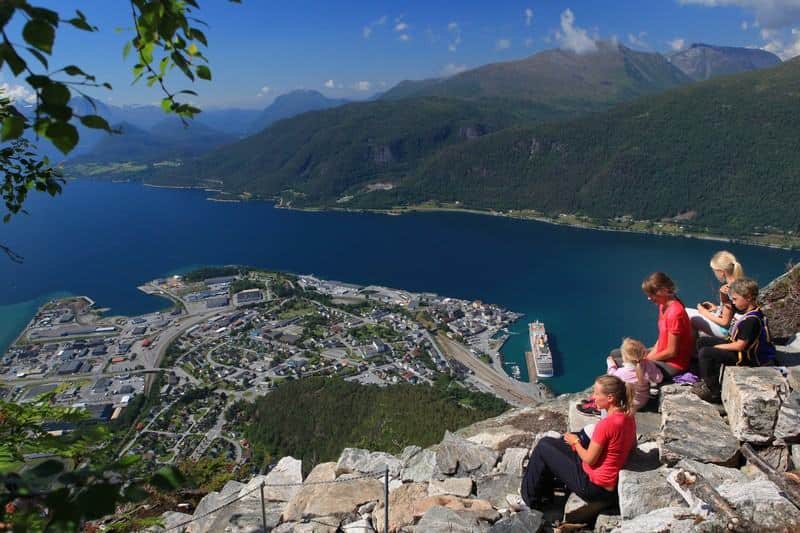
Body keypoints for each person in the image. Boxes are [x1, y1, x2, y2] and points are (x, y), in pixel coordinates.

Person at [509, 375, 637, 511]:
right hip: (606, 484)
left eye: (597, 393)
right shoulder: (628, 418)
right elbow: (632, 446)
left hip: (593, 486)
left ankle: (528, 501)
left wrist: (575, 442)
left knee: (544, 446)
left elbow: (590, 459)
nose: (593, 397)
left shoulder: (606, 424)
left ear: (610, 398)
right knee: (556, 446)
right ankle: (544, 495)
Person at [693, 278, 776, 403]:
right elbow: (728, 306)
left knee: (706, 352)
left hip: (746, 357)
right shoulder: (749, 309)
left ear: (748, 297)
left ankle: (713, 391)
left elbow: (740, 346)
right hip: (739, 348)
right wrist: (719, 302)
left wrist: (717, 348)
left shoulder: (751, 321)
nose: (733, 302)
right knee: (702, 342)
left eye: (735, 299)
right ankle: (709, 377)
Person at [577, 338, 662, 416]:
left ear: (624, 357)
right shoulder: (649, 365)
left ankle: (599, 409)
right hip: (643, 401)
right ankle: (597, 402)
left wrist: (610, 363)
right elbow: (659, 378)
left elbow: (611, 375)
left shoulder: (622, 373)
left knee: (609, 387)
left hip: (627, 404)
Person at [641, 272, 695, 379]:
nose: (649, 298)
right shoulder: (663, 306)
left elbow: (671, 352)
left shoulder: (675, 313)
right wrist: (649, 355)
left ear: (664, 290)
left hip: (673, 365)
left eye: (651, 294)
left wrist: (647, 360)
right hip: (662, 356)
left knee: (628, 367)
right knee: (616, 354)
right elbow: (661, 337)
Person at [686, 251, 744, 338]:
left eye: (714, 271)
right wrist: (717, 308)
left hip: (727, 332)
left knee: (685, 313)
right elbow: (734, 311)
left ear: (721, 272)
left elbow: (725, 322)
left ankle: (690, 349)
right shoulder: (740, 284)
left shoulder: (728, 289)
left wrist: (704, 312)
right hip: (737, 328)